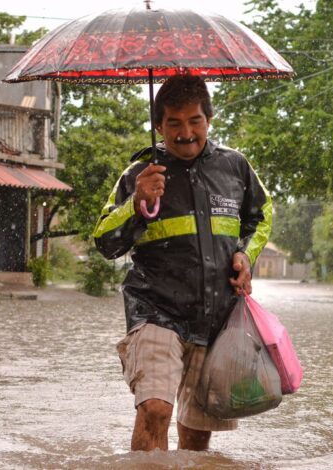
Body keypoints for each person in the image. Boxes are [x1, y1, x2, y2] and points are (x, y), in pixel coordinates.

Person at [92, 75, 272, 452]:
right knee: (155, 409)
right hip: (154, 309)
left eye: (195, 121)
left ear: (209, 120)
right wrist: (137, 203)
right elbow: (104, 242)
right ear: (159, 126)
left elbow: (262, 216)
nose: (186, 132)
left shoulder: (235, 167)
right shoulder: (138, 175)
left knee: (196, 436)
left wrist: (245, 254)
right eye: (174, 123)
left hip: (217, 317)